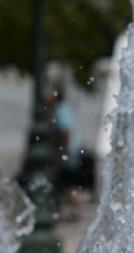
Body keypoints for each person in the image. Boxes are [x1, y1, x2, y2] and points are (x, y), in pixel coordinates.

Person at [50, 84, 84, 221]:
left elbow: (66, 131)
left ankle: (77, 211)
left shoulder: (60, 110)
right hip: (70, 150)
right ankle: (64, 210)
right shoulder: (64, 108)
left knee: (69, 183)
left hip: (68, 152)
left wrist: (65, 150)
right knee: (62, 182)